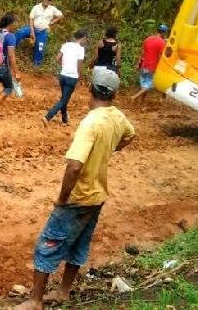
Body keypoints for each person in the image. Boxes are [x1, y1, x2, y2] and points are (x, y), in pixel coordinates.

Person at [15, 69, 136, 310]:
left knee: (47, 245)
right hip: (97, 195)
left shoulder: (90, 122)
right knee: (79, 243)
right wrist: (108, 149)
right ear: (114, 93)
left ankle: (35, 301)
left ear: (90, 88)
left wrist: (62, 198)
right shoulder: (117, 117)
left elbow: (74, 166)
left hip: (78, 197)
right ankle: (63, 292)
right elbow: (130, 136)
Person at [42, 29, 87, 127]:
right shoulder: (80, 49)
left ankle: (64, 119)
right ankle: (48, 116)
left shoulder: (66, 45)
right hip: (72, 77)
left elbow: (57, 58)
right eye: (85, 39)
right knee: (64, 100)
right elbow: (80, 66)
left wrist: (64, 65)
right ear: (83, 38)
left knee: (64, 98)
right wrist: (81, 78)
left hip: (63, 76)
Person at [15, 0, 63, 66]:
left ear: (51, 1)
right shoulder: (36, 7)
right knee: (20, 32)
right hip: (32, 28)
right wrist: (32, 31)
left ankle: (37, 64)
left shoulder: (53, 9)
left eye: (50, 0)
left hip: (42, 32)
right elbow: (31, 19)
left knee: (40, 48)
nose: (48, 1)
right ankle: (10, 49)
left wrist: (54, 21)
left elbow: (61, 15)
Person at [131, 24, 168, 102]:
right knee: (149, 84)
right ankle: (134, 97)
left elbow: (142, 53)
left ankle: (141, 101)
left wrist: (137, 64)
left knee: (145, 84)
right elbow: (161, 56)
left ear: (157, 31)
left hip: (143, 65)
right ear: (164, 33)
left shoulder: (147, 39)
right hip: (152, 67)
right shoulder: (162, 42)